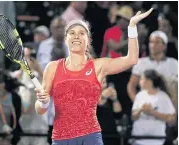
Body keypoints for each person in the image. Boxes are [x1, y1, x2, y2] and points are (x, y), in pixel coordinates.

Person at [35, 8, 154, 145]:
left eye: (81, 33)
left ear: (88, 40)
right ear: (66, 39)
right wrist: (43, 102)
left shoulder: (98, 66)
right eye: (72, 33)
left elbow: (132, 60)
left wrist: (132, 27)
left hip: (90, 137)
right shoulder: (52, 67)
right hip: (61, 138)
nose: (76, 37)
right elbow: (40, 109)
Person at [131, 69, 176, 145]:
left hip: (156, 140)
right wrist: (141, 110)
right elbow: (133, 117)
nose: (140, 82)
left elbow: (171, 119)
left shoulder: (163, 97)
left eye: (142, 79)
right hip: (138, 139)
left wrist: (152, 112)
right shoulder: (140, 95)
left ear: (149, 81)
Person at [97, 78, 122, 145]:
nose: (103, 84)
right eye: (101, 81)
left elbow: (118, 115)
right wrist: (102, 96)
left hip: (112, 136)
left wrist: (115, 100)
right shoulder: (89, 96)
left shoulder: (109, 97)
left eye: (104, 82)